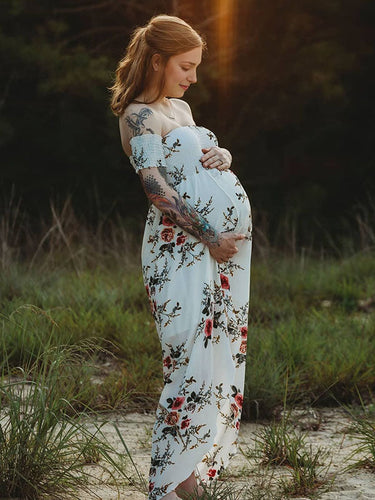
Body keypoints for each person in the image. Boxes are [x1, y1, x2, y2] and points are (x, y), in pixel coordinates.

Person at [109, 14, 252, 500]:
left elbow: (194, 164)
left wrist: (223, 157)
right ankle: (166, 486)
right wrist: (211, 234)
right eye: (185, 67)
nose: (193, 78)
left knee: (211, 362)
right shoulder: (137, 116)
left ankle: (186, 481)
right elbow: (156, 188)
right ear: (157, 61)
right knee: (187, 362)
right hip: (178, 254)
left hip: (212, 254)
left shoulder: (183, 111)